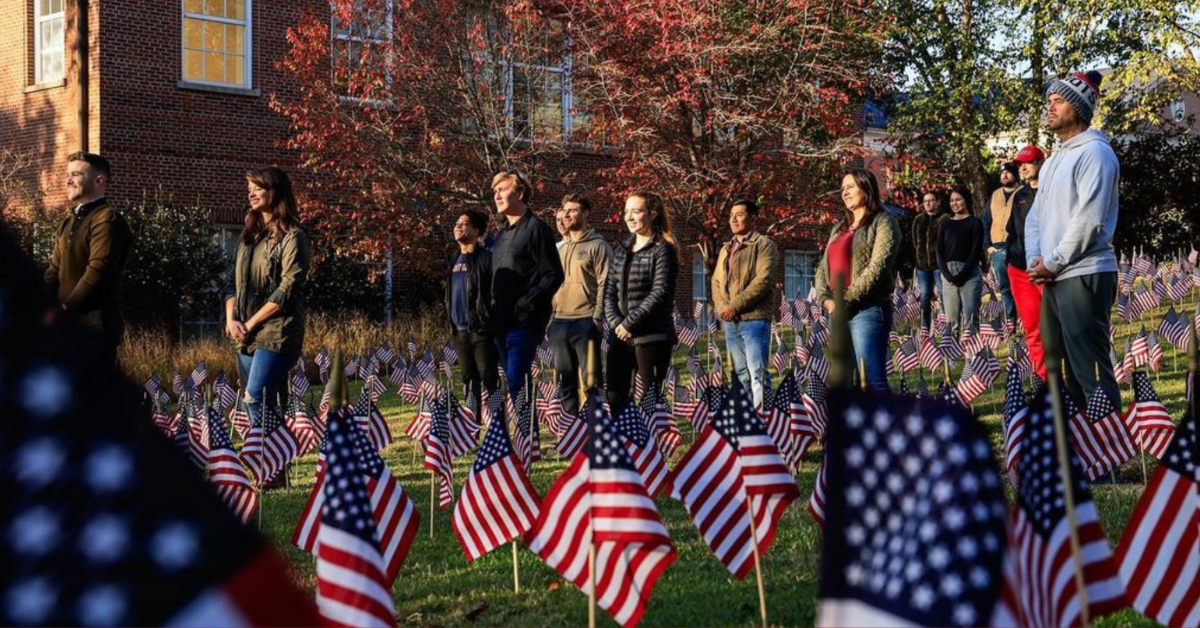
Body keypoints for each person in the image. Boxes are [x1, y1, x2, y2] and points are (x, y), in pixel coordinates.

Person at [1026, 70, 1121, 405]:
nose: (1050, 108)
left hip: (1084, 273)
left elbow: (1089, 221)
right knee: (1063, 371)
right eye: (1049, 101)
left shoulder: (1095, 153)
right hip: (1053, 276)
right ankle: (1084, 445)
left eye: (1059, 101)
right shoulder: (1054, 161)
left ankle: (1109, 448)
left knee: (1090, 369)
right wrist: (1035, 261)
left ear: (1079, 109)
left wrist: (1052, 262)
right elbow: (1035, 217)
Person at [223, 167, 311, 437]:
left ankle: (270, 464)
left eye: (257, 188)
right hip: (245, 333)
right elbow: (232, 284)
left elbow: (288, 289)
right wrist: (231, 320)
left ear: (275, 191)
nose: (251, 193)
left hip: (278, 331)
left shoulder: (294, 237)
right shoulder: (248, 238)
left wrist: (250, 322)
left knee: (255, 397)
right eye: (249, 188)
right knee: (263, 401)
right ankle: (274, 464)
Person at [814, 168, 899, 391]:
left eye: (850, 186)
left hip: (867, 309)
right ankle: (851, 427)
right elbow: (822, 269)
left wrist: (847, 299)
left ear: (866, 187)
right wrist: (825, 299)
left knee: (872, 380)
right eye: (842, 188)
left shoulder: (883, 222)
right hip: (837, 312)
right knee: (843, 383)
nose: (845, 192)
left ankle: (883, 426)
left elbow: (878, 267)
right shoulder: (838, 229)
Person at [44, 152, 132, 365]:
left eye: (76, 174)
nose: (68, 180)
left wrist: (66, 307)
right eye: (68, 174)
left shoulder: (106, 219)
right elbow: (53, 270)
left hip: (95, 325)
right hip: (65, 325)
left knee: (93, 395)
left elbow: (98, 270)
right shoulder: (68, 223)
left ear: (99, 181)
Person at [489, 169, 565, 399]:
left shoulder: (537, 229)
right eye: (495, 191)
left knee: (517, 383)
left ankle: (528, 434)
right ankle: (524, 434)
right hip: (499, 323)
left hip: (524, 323)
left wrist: (525, 305)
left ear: (520, 193)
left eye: (502, 189)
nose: (497, 196)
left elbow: (553, 274)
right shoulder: (502, 234)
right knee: (512, 388)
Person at [603, 191, 680, 413]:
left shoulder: (663, 248)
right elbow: (609, 292)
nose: (629, 217)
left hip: (652, 334)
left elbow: (660, 292)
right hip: (620, 336)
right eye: (626, 211)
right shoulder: (621, 249)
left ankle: (653, 446)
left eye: (636, 211)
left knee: (650, 402)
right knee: (615, 396)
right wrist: (618, 324)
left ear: (652, 214)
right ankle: (623, 446)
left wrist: (629, 324)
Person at [711, 199, 779, 407]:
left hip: (755, 319)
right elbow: (715, 281)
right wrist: (723, 307)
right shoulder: (726, 248)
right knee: (740, 374)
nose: (733, 219)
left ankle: (763, 424)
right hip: (731, 321)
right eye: (731, 215)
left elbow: (763, 280)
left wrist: (735, 305)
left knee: (758, 373)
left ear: (753, 218)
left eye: (739, 214)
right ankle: (746, 426)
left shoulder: (764, 245)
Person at [549, 194, 612, 417]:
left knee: (591, 380)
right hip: (558, 322)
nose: (566, 215)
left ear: (585, 214)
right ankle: (570, 429)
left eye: (573, 210)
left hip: (586, 320)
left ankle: (595, 426)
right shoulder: (559, 248)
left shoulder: (598, 246)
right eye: (564, 210)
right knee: (564, 380)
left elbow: (606, 282)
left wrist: (597, 316)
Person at [446, 209, 499, 416]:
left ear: (476, 231)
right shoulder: (453, 260)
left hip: (481, 331)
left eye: (464, 223)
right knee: (469, 382)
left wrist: (489, 321)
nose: (459, 226)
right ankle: (472, 427)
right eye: (457, 223)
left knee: (490, 381)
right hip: (459, 332)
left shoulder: (487, 259)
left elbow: (496, 294)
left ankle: (497, 426)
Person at [1005, 145, 1047, 379]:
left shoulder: (1052, 191)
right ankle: (1042, 380)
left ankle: (1066, 380)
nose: (1022, 167)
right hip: (1020, 269)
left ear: (1040, 163)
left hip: (1048, 267)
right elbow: (1012, 229)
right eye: (1019, 164)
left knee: (1057, 326)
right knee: (1032, 328)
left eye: (1028, 162)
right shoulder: (1019, 195)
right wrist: (1011, 258)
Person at [937, 185, 985, 337]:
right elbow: (939, 251)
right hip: (948, 274)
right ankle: (952, 359)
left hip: (969, 273)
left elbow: (975, 250)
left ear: (966, 200)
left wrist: (963, 273)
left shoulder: (975, 222)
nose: (954, 203)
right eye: (952, 200)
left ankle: (972, 357)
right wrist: (947, 274)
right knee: (951, 322)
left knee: (971, 319)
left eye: (958, 199)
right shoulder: (945, 223)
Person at [984, 163, 1020, 322]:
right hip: (997, 248)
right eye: (1002, 173)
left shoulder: (1023, 193)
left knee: (1019, 285)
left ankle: (1023, 320)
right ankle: (1010, 321)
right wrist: (987, 245)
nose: (1005, 175)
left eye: (1008, 172)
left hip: (1017, 247)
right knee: (1004, 288)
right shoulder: (995, 195)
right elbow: (986, 221)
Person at [911, 190, 947, 330]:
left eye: (931, 200)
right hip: (922, 266)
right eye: (925, 201)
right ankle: (925, 327)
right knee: (925, 296)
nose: (928, 203)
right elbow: (915, 241)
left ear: (938, 202)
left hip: (939, 265)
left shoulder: (944, 219)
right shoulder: (918, 220)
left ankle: (946, 325)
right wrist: (918, 256)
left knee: (943, 293)